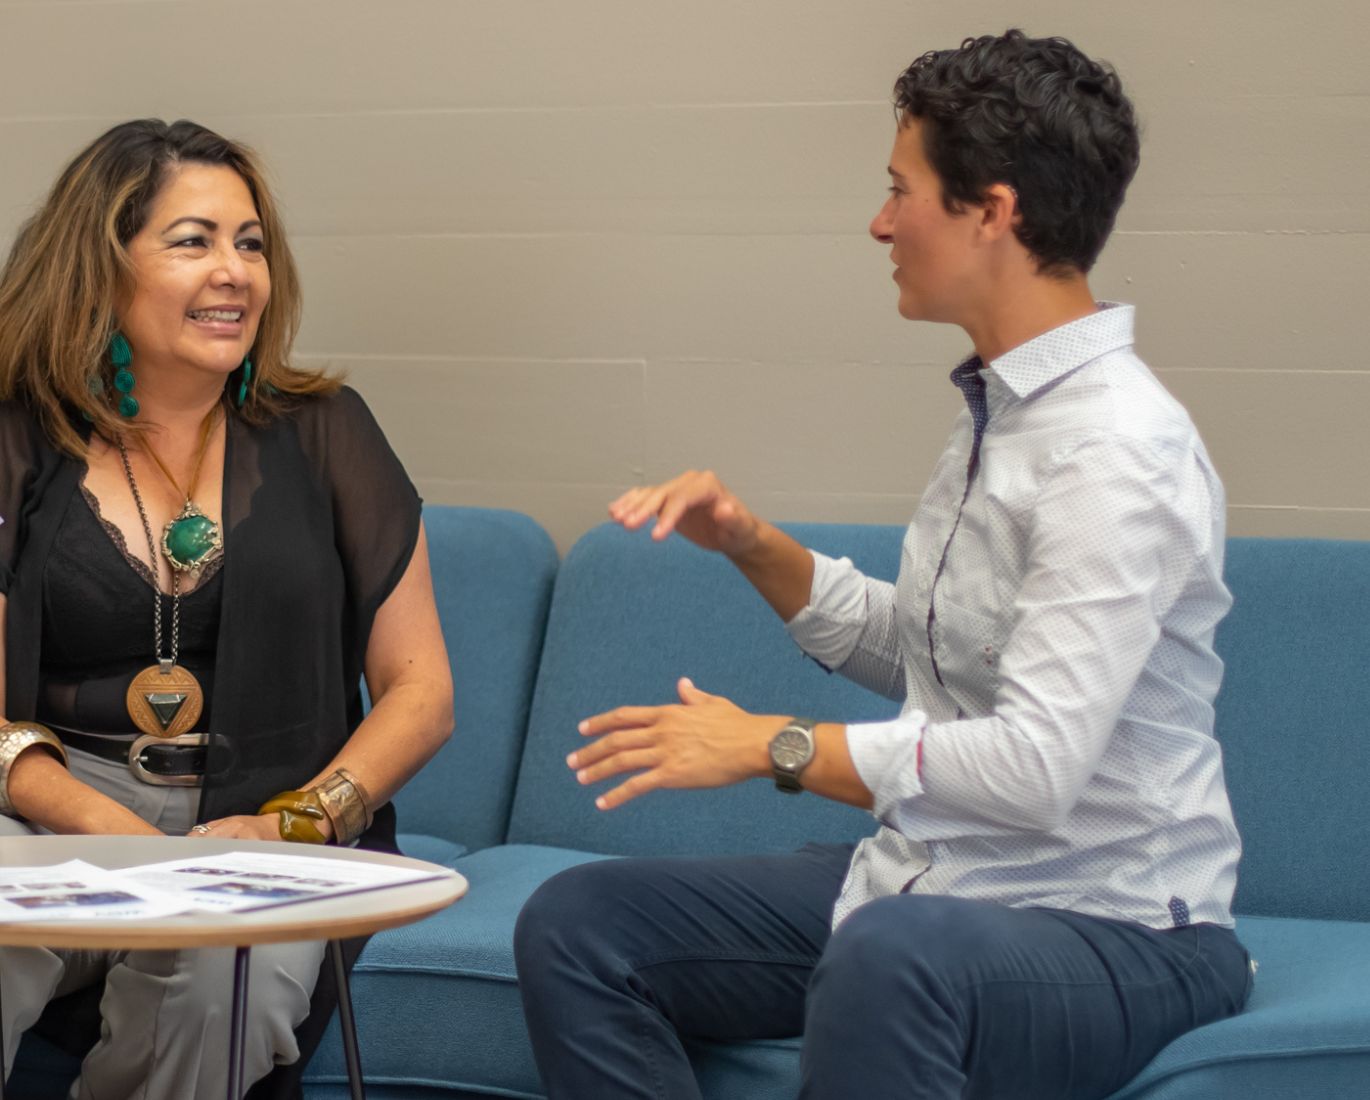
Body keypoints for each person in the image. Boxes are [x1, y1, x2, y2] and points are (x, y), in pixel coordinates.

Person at [514, 30, 1251, 1100]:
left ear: (990, 212)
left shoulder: (1116, 450)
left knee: (890, 954)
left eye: (898, 189)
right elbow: (931, 653)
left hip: (1112, 927)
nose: (878, 221)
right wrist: (750, 544)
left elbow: (1035, 764)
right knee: (579, 922)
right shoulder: (997, 410)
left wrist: (768, 744)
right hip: (930, 882)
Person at [0, 119, 454, 1099]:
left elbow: (421, 693)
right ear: (102, 260)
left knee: (221, 982)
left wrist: (289, 825)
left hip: (267, 817)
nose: (236, 271)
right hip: (48, 810)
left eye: (249, 242)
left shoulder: (326, 428)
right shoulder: (17, 435)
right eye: (193, 239)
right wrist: (107, 831)